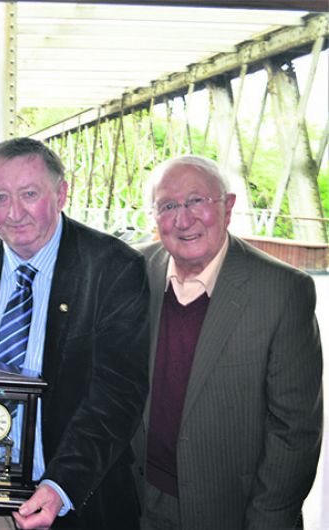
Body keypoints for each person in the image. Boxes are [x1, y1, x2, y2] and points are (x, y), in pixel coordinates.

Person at [0, 137, 151, 529]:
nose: (14, 212)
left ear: (61, 194)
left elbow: (118, 396)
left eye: (29, 194)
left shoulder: (114, 268)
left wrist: (60, 485)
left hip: (74, 497)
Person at [134, 155, 323, 529]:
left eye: (197, 201)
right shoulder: (131, 271)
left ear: (229, 207)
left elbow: (295, 430)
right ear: (154, 217)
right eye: (168, 206)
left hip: (232, 511)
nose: (183, 219)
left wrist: (268, 519)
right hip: (137, 500)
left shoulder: (283, 292)